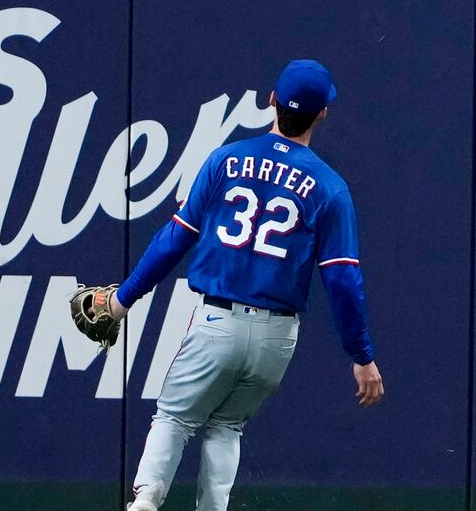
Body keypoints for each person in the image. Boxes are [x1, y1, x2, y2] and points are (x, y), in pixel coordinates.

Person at [108, 59, 382, 511]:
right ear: (323, 114)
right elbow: (342, 279)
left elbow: (174, 239)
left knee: (175, 417)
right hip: (277, 337)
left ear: (271, 101)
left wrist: (123, 300)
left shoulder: (226, 159)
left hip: (218, 319)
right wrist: (362, 356)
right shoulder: (330, 189)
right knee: (226, 426)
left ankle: (146, 502)